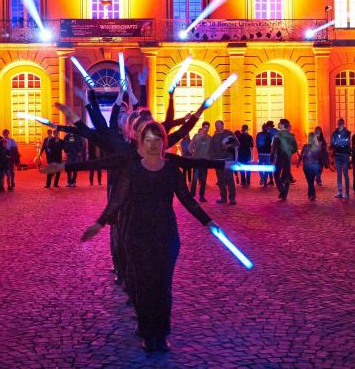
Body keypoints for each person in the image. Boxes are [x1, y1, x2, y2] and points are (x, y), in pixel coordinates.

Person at [80, 121, 219, 353]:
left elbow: (188, 200)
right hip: (137, 235)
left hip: (166, 235)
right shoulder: (132, 170)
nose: (153, 144)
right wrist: (99, 223)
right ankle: (147, 333)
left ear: (164, 143)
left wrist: (209, 222)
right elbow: (117, 201)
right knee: (143, 286)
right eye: (148, 140)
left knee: (163, 287)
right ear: (141, 143)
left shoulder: (172, 171)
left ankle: (162, 333)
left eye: (158, 140)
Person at [210, 120, 239, 205]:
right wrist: (213, 158)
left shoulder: (229, 133)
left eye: (218, 125)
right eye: (216, 125)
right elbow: (211, 149)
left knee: (229, 179)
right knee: (220, 180)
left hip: (228, 160)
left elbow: (237, 143)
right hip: (218, 161)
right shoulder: (214, 136)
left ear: (223, 125)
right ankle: (223, 197)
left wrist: (229, 145)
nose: (217, 127)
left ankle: (232, 198)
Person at [271, 119, 298, 201]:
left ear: (282, 125)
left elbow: (274, 147)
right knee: (286, 176)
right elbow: (296, 148)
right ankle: (285, 194)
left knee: (276, 174)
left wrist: (271, 157)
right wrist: (290, 152)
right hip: (287, 158)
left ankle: (282, 190)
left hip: (280, 157)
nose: (278, 124)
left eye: (279, 124)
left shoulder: (278, 135)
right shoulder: (291, 135)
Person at [189, 122, 212, 202]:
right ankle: (192, 194)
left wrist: (209, 156)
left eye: (208, 127)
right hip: (197, 160)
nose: (206, 129)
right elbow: (190, 147)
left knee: (203, 179)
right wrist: (193, 154)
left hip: (205, 160)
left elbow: (211, 149)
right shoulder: (196, 136)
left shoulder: (210, 138)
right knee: (195, 178)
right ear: (202, 128)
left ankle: (201, 196)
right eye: (205, 127)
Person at [297, 132, 322, 201]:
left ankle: (313, 194)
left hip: (307, 165)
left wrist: (298, 162)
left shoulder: (306, 146)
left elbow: (302, 155)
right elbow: (320, 157)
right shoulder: (318, 147)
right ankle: (310, 194)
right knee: (311, 180)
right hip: (315, 166)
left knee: (309, 181)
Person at [330, 118, 352, 198]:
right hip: (337, 155)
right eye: (339, 123)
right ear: (337, 123)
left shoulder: (347, 133)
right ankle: (339, 192)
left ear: (344, 123)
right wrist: (341, 142)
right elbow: (332, 143)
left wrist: (338, 142)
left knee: (345, 173)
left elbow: (347, 142)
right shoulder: (334, 133)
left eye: (342, 122)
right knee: (339, 174)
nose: (340, 124)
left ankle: (347, 193)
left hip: (345, 154)